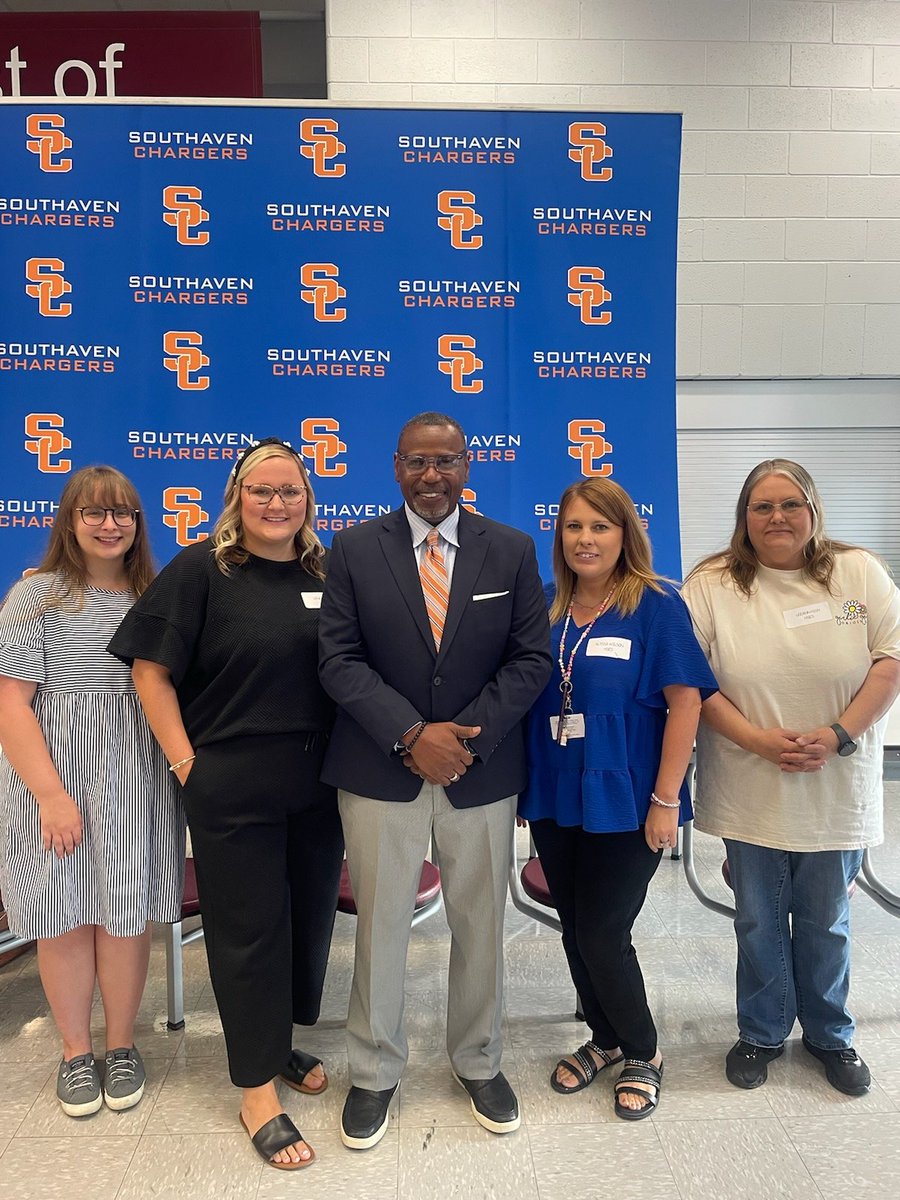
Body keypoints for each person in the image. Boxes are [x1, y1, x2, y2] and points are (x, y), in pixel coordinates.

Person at [318, 411, 552, 1148]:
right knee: (381, 926)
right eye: (417, 461)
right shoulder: (353, 549)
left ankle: (479, 1060)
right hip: (380, 768)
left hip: (479, 772)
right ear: (396, 467)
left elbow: (531, 660)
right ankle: (373, 1072)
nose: (431, 475)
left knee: (481, 924)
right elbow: (338, 660)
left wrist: (463, 741)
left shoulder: (510, 550)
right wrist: (413, 735)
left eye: (445, 461)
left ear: (466, 466)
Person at [108, 439, 344, 1171]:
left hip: (320, 782)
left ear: (308, 499)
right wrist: (186, 763)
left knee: (307, 920)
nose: (277, 503)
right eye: (261, 490)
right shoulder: (202, 570)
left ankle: (277, 1042)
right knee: (248, 932)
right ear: (237, 498)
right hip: (232, 780)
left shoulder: (328, 572)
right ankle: (255, 1090)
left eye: (290, 491)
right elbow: (149, 671)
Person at [682, 459, 900, 1096]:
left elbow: (890, 659)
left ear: (813, 510)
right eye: (762, 506)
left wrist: (838, 734)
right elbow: (693, 678)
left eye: (790, 504)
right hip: (749, 777)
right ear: (744, 517)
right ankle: (762, 1031)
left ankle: (831, 1035)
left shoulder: (857, 572)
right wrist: (755, 739)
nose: (777, 517)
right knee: (758, 918)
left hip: (835, 780)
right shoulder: (712, 583)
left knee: (827, 919)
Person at [518, 478, 716, 1120]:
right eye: (574, 526)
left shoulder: (656, 605)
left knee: (604, 931)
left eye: (600, 526)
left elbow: (686, 703)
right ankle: (604, 1039)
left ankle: (644, 1050)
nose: (586, 539)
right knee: (576, 927)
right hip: (557, 787)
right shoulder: (545, 605)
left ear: (626, 533)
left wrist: (666, 800)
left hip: (631, 795)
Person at [0, 466, 185, 1117]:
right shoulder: (37, 596)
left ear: (138, 522)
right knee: (65, 915)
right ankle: (76, 1052)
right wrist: (51, 797)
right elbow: (11, 705)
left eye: (123, 513)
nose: (111, 525)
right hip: (55, 779)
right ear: (69, 522)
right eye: (95, 513)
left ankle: (121, 1045)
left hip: (137, 776)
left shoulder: (156, 595)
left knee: (125, 916)